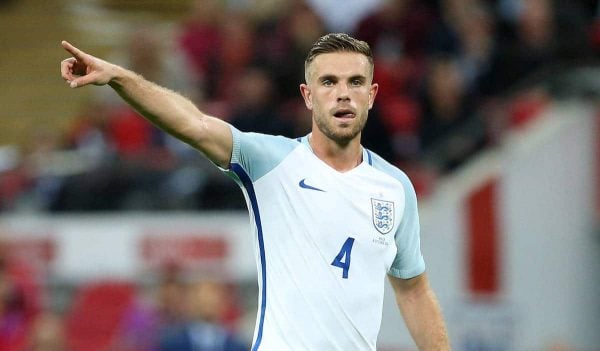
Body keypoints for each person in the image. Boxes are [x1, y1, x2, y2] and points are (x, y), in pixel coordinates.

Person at [60, 33, 450, 350]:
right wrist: (119, 78)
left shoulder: (394, 187)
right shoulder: (271, 160)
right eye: (329, 82)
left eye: (355, 82)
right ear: (308, 96)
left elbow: (413, 290)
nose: (343, 93)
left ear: (372, 94)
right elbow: (193, 124)